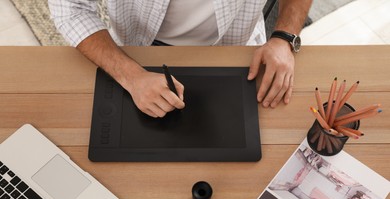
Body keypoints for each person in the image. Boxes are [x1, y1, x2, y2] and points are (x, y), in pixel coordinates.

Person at [49, 0, 312, 118]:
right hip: (137, 51)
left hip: (236, 47)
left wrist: (285, 37)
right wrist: (132, 77)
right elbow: (70, 9)